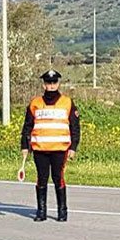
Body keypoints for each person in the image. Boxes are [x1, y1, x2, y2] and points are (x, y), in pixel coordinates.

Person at [20, 69, 80, 222]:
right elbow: (27, 126)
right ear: (44, 84)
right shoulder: (35, 103)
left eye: (54, 82)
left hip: (60, 149)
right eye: (48, 82)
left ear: (58, 83)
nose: (51, 85)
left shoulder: (67, 102)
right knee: (42, 179)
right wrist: (25, 146)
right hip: (40, 149)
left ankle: (62, 211)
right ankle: (41, 212)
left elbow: (75, 127)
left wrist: (73, 147)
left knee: (58, 178)